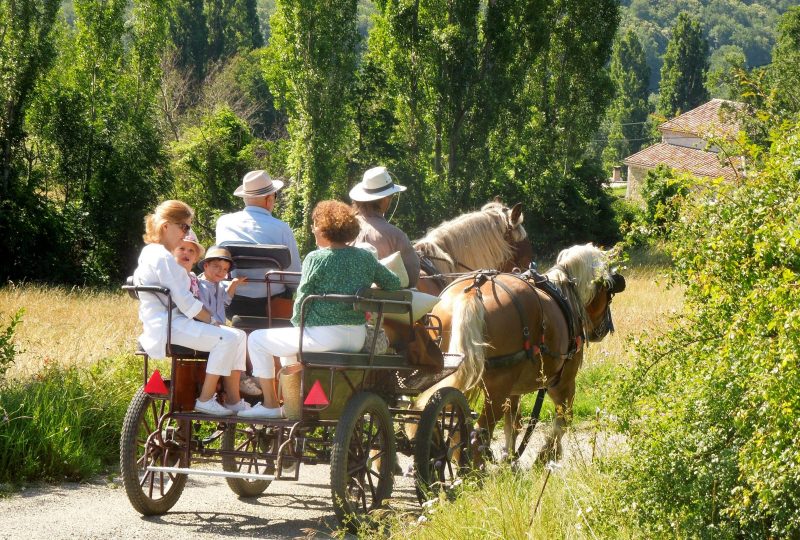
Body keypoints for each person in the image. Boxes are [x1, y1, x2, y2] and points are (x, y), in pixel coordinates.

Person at [240, 200, 402, 419]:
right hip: (356, 336)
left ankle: (270, 404)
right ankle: (294, 405)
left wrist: (298, 325)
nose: (313, 229)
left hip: (323, 336)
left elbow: (302, 297)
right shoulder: (365, 257)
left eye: (314, 224)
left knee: (257, 340)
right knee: (288, 350)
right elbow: (393, 283)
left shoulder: (316, 258)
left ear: (324, 228)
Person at [133, 200, 249, 416]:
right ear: (166, 226)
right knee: (228, 338)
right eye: (184, 226)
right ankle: (205, 399)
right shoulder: (162, 257)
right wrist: (213, 321)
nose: (186, 232)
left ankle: (234, 400)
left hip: (170, 321)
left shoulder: (151, 253)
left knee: (239, 335)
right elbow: (186, 302)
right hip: (169, 324)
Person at [215, 170, 302, 316]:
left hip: (233, 302)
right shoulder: (282, 228)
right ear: (269, 199)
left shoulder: (223, 223)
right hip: (271, 305)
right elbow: (294, 278)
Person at [349, 166, 420, 287]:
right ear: (385, 199)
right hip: (382, 304)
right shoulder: (396, 235)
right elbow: (412, 279)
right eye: (391, 196)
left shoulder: (341, 228)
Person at [197, 245, 247, 326]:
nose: (221, 271)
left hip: (219, 328)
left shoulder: (219, 285)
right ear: (206, 266)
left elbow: (224, 301)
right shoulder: (199, 286)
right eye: (217, 266)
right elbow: (200, 314)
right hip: (206, 328)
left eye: (225, 269)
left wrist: (234, 284)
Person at [171, 228, 205, 298]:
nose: (186, 252)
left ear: (196, 258)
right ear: (173, 252)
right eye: (182, 248)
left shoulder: (194, 278)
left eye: (191, 250)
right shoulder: (170, 275)